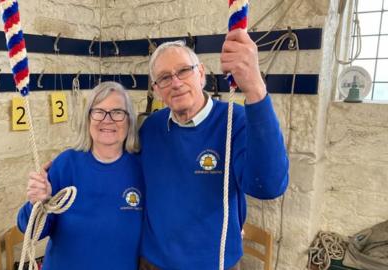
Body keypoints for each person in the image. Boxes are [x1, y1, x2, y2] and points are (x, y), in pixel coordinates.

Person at [138, 29, 289, 270]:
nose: (176, 83)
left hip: (213, 263)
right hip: (153, 263)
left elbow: (268, 185)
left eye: (184, 71)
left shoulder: (235, 121)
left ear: (201, 74)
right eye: (164, 78)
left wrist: (255, 90)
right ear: (156, 90)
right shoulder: (151, 128)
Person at [17, 81, 144, 270]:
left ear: (129, 121)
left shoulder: (141, 168)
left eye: (117, 112)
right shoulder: (66, 164)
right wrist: (37, 202)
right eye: (99, 111)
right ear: (88, 119)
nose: (107, 120)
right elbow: (32, 230)